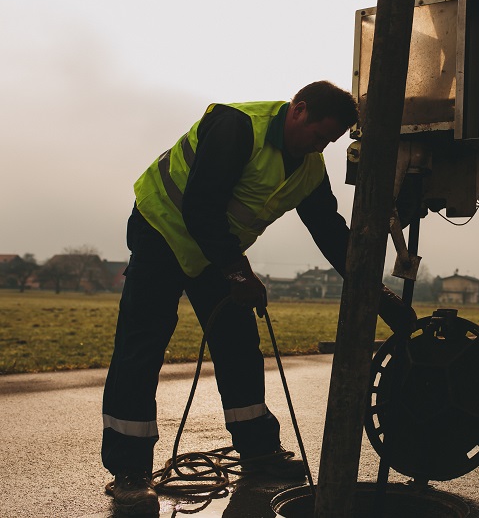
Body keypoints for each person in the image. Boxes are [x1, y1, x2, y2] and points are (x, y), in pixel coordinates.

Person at [102, 80, 416, 515]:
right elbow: (201, 207)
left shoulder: (309, 167)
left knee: (238, 345)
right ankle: (129, 473)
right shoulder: (237, 127)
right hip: (163, 229)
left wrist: (376, 294)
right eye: (319, 134)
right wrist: (237, 271)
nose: (319, 146)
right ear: (298, 109)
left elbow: (330, 232)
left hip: (214, 249)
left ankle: (258, 453)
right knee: (142, 347)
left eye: (330, 141)